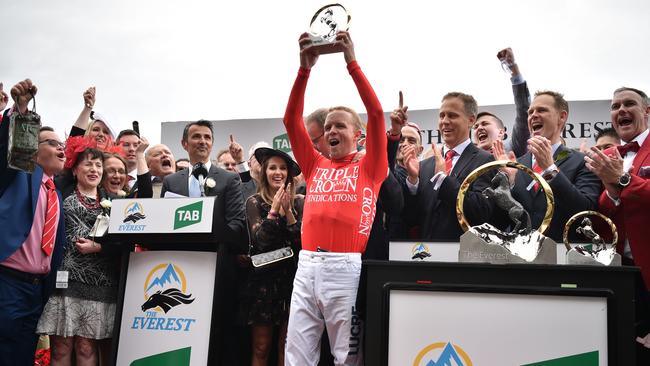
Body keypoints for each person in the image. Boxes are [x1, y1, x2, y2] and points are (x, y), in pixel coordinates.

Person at [283, 31, 387, 365]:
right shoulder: (314, 164)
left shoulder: (371, 166)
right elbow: (290, 121)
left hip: (345, 269)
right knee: (296, 355)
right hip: (307, 264)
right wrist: (304, 70)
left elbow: (376, 113)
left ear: (357, 134)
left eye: (339, 126)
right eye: (327, 127)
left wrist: (351, 62)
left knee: (347, 357)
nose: (330, 131)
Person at [161, 119, 246, 365]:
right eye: (197, 136)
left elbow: (237, 225)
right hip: (181, 270)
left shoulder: (229, 180)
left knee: (219, 333)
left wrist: (206, 235)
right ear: (184, 143)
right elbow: (165, 225)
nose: (202, 141)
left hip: (218, 269)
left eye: (207, 137)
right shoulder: (171, 181)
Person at [0, 79, 67, 366]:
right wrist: (21, 110)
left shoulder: (56, 192)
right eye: (52, 143)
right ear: (33, 147)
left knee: (23, 356)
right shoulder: (17, 174)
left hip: (37, 289)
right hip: (7, 282)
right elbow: (5, 147)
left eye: (62, 144)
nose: (61, 148)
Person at [584, 87, 650, 362]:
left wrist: (623, 181)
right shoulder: (609, 154)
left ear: (646, 111)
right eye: (615, 106)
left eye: (628, 104)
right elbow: (605, 216)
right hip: (619, 273)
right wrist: (611, 191)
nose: (620, 110)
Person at [37, 146, 118, 366]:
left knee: (86, 348)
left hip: (100, 283)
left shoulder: (115, 202)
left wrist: (99, 248)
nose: (94, 169)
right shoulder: (62, 189)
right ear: (74, 169)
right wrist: (86, 109)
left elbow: (123, 243)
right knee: (61, 349)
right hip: (64, 282)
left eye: (99, 165)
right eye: (88, 163)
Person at [494, 90, 600, 242]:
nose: (533, 115)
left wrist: (550, 169)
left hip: (563, 255)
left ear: (562, 117)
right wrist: (508, 184)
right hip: (520, 256)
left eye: (542, 110)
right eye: (530, 112)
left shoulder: (583, 162)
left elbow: (585, 213)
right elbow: (502, 220)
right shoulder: (517, 165)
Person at [401, 92, 496, 241]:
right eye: (442, 115)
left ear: (471, 120)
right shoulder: (424, 165)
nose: (444, 121)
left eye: (452, 115)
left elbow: (481, 211)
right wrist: (413, 182)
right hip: (425, 256)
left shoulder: (485, 160)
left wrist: (443, 179)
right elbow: (412, 218)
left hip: (463, 255)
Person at [244, 148, 304, 366]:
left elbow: (301, 244)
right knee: (261, 346)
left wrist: (288, 213)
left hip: (294, 281)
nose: (278, 172)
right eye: (272, 168)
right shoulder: (254, 202)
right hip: (264, 283)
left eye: (282, 168)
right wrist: (274, 210)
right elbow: (260, 241)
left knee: (287, 346)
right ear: (264, 172)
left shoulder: (299, 201)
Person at [473, 47, 531, 158]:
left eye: (485, 124)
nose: (479, 128)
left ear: (501, 132)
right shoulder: (467, 160)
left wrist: (513, 69)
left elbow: (524, 113)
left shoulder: (513, 149)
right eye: (475, 127)